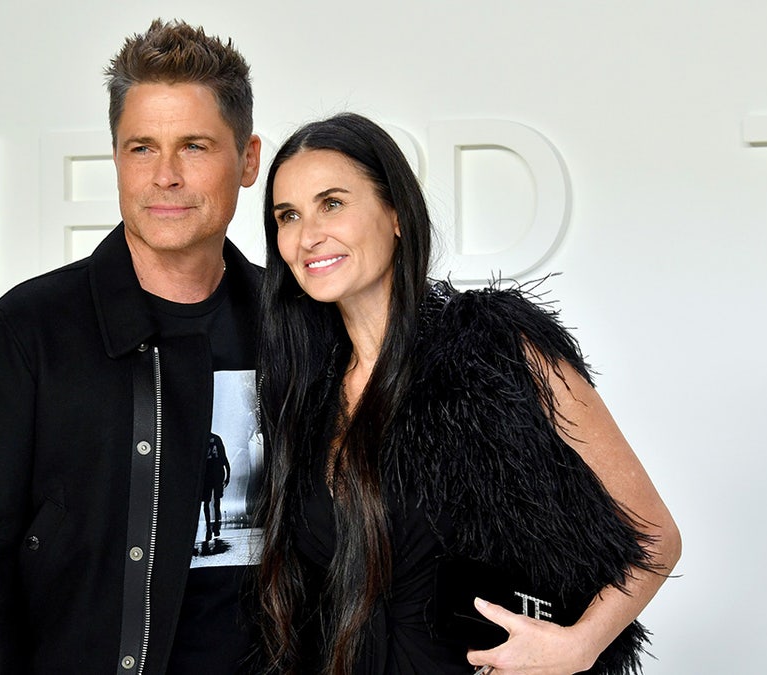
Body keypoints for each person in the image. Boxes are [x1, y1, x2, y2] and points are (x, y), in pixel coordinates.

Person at [254, 113, 681, 675]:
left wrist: (578, 646)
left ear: (397, 214)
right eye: (289, 216)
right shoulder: (302, 394)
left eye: (332, 203)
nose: (308, 235)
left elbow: (655, 537)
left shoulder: (498, 350)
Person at [0, 19, 263, 675]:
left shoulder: (293, 328)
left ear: (248, 159)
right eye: (142, 147)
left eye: (194, 146)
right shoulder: (23, 336)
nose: (164, 176)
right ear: (115, 156)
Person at [201, 432, 231, 549]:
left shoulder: (202, 439)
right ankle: (216, 526)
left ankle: (209, 527)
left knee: (206, 502)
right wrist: (228, 474)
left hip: (207, 475)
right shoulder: (217, 438)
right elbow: (224, 457)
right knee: (216, 501)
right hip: (217, 473)